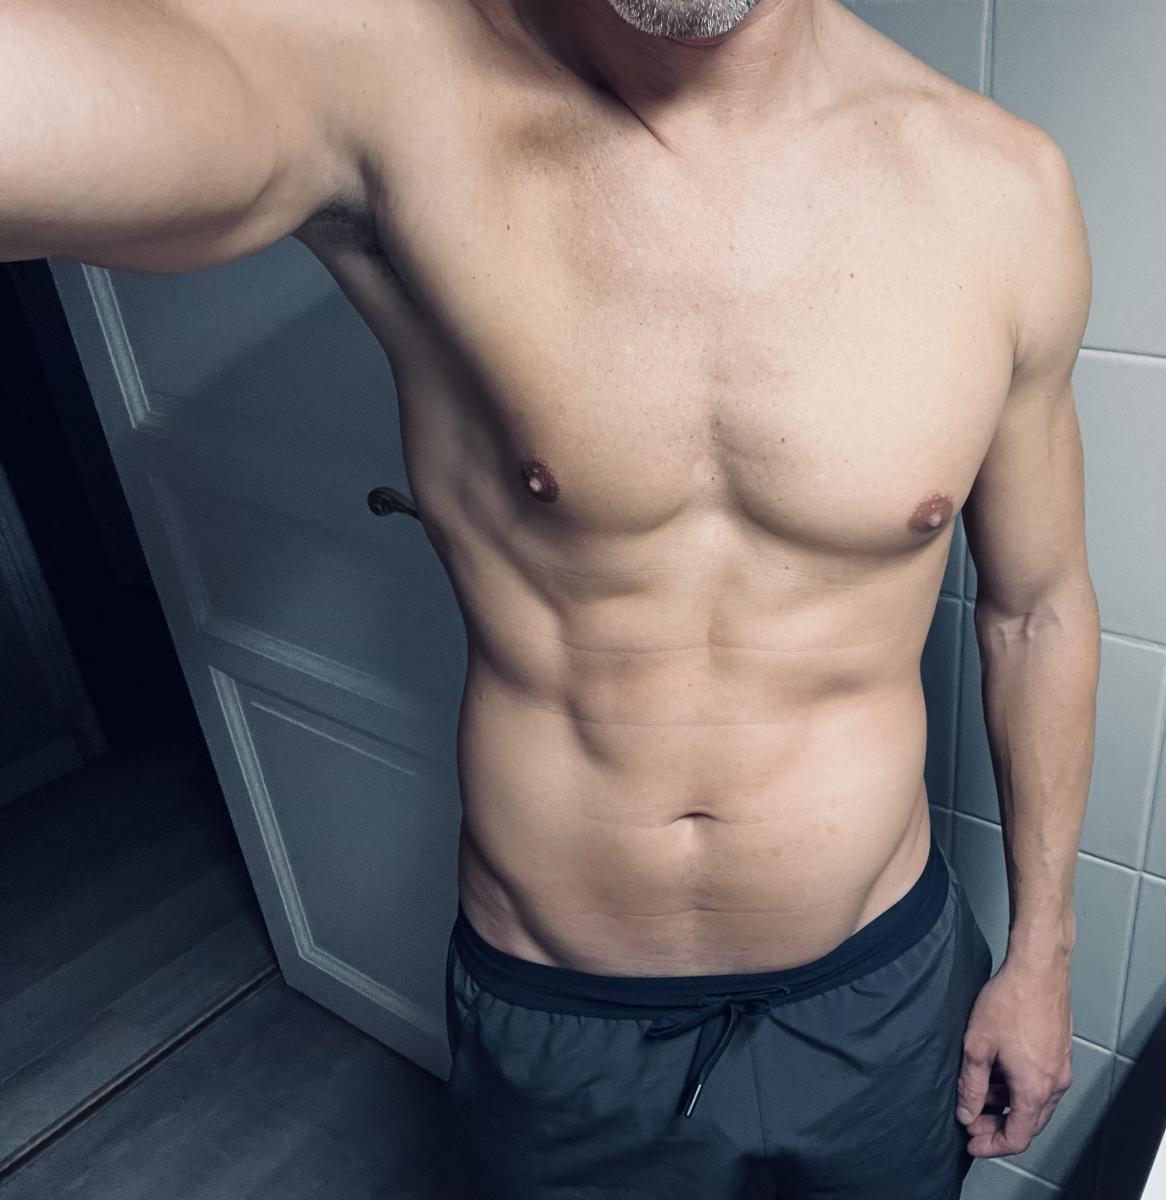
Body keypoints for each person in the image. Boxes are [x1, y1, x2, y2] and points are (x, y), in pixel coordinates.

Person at [1, 0, 1100, 1195]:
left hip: (879, 995)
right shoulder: (387, 90)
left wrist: (1039, 952)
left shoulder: (1002, 191)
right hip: (564, 1020)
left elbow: (1035, 609)